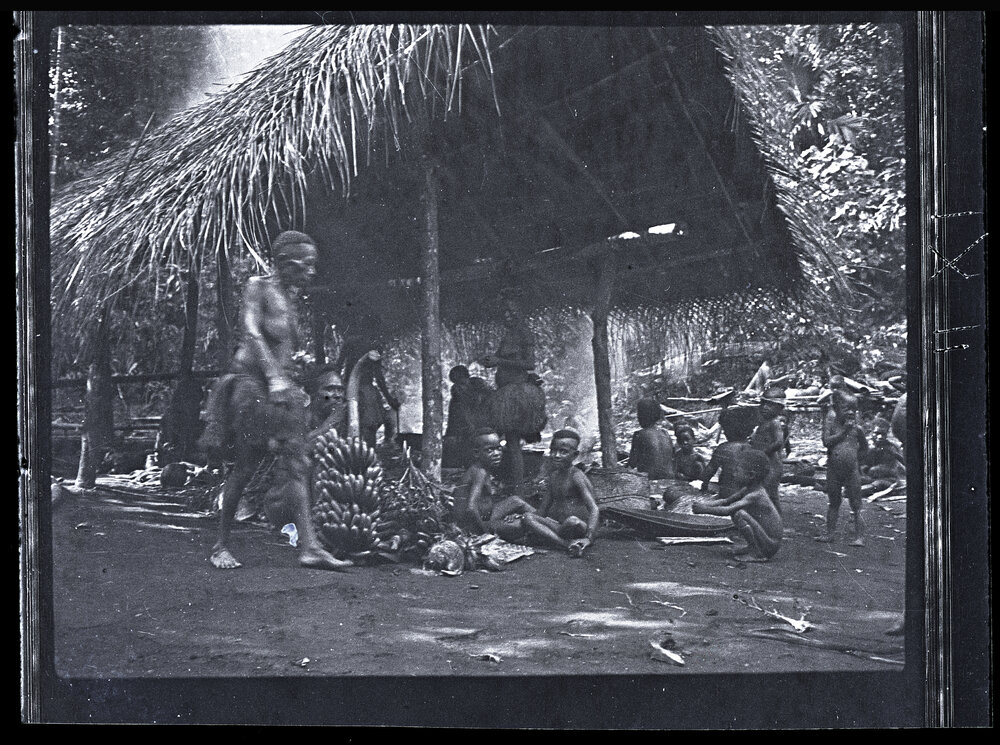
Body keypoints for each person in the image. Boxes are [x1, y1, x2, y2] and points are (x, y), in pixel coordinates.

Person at [199, 231, 349, 571]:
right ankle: (221, 544)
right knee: (245, 466)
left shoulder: (289, 296)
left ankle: (309, 547)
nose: (312, 272)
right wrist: (274, 377)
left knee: (298, 465)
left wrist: (290, 379)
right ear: (288, 264)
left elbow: (283, 349)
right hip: (253, 388)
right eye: (307, 265)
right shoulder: (258, 287)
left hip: (279, 390)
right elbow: (251, 332)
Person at [478, 289, 547, 495]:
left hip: (517, 394)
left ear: (518, 312)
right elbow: (504, 362)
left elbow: (529, 363)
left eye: (510, 312)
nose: (506, 316)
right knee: (511, 441)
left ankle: (519, 489)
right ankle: (516, 485)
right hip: (506, 391)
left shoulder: (524, 333)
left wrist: (500, 360)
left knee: (514, 442)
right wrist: (492, 361)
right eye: (504, 313)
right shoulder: (509, 335)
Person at [692, 449, 783, 562]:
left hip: (770, 543)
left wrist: (704, 510)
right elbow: (725, 501)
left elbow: (728, 509)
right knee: (737, 513)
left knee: (739, 514)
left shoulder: (756, 494)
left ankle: (758, 553)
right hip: (766, 540)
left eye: (737, 470)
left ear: (750, 475)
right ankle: (753, 547)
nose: (733, 474)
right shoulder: (747, 489)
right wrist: (704, 504)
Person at [522, 429, 599, 557]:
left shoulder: (576, 476)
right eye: (553, 450)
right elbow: (542, 511)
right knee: (527, 517)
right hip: (560, 527)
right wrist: (522, 518)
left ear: (575, 455)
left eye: (563, 452)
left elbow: (594, 509)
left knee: (572, 521)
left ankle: (567, 542)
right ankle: (567, 545)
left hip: (578, 526)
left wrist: (589, 537)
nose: (556, 455)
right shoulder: (554, 476)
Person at [452, 429, 535, 541]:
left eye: (498, 448)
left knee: (516, 501)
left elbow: (484, 500)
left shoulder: (481, 469)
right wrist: (486, 534)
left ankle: (547, 522)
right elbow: (471, 508)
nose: (496, 454)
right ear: (477, 453)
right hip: (473, 526)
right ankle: (547, 526)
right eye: (490, 450)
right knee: (520, 525)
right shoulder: (479, 472)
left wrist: (507, 513)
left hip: (486, 515)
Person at [816, 390, 869, 546]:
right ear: (837, 409)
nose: (851, 412)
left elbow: (865, 447)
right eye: (847, 409)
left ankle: (859, 537)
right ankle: (830, 533)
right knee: (833, 502)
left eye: (854, 409)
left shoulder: (857, 429)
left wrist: (857, 462)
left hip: (852, 471)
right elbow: (826, 442)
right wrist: (844, 432)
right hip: (833, 470)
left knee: (856, 504)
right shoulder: (832, 425)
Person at [338, 334, 401, 449]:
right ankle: (367, 454)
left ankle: (359, 454)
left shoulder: (350, 341)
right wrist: (389, 399)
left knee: (352, 426)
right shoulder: (373, 344)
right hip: (364, 391)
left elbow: (338, 365)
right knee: (369, 426)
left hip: (352, 389)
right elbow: (378, 376)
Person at [443, 365, 492, 467]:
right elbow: (454, 418)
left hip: (485, 424)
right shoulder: (457, 396)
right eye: (457, 383)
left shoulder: (480, 388)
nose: (460, 387)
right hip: (466, 428)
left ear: (467, 378)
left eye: (462, 383)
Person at [748, 387, 786, 515]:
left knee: (770, 494)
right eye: (763, 403)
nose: (765, 407)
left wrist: (763, 452)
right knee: (768, 494)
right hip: (765, 464)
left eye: (770, 405)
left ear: (779, 408)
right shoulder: (764, 422)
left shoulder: (775, 423)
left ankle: (776, 521)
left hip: (772, 465)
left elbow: (778, 442)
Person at [700, 426, 752, 500]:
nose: (724, 432)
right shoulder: (753, 447)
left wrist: (704, 485)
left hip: (727, 492)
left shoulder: (723, 448)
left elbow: (709, 471)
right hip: (747, 493)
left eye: (725, 430)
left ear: (729, 431)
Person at [627, 398, 675, 479]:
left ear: (642, 416)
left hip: (650, 480)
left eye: (639, 414)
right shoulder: (665, 433)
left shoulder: (639, 435)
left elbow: (632, 463)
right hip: (669, 478)